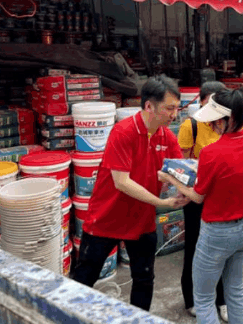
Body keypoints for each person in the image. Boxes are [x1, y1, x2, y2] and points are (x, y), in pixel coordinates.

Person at [73, 75, 187, 311]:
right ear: (149, 106)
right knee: (85, 277)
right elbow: (122, 182)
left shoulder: (166, 136)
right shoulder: (123, 132)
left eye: (177, 108)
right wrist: (162, 202)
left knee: (144, 278)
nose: (174, 115)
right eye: (169, 108)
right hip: (107, 217)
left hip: (141, 220)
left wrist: (188, 189)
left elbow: (180, 170)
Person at [159, 87, 243, 324]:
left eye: (216, 121)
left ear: (229, 119)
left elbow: (198, 197)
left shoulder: (212, 152)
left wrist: (170, 178)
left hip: (217, 231)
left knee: (204, 299)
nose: (213, 125)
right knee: (235, 291)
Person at [176, 81, 228, 321]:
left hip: (222, 197)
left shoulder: (230, 125)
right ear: (201, 102)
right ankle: (192, 298)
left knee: (223, 250)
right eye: (209, 104)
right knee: (195, 247)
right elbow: (182, 166)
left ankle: (222, 299)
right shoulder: (191, 126)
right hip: (197, 197)